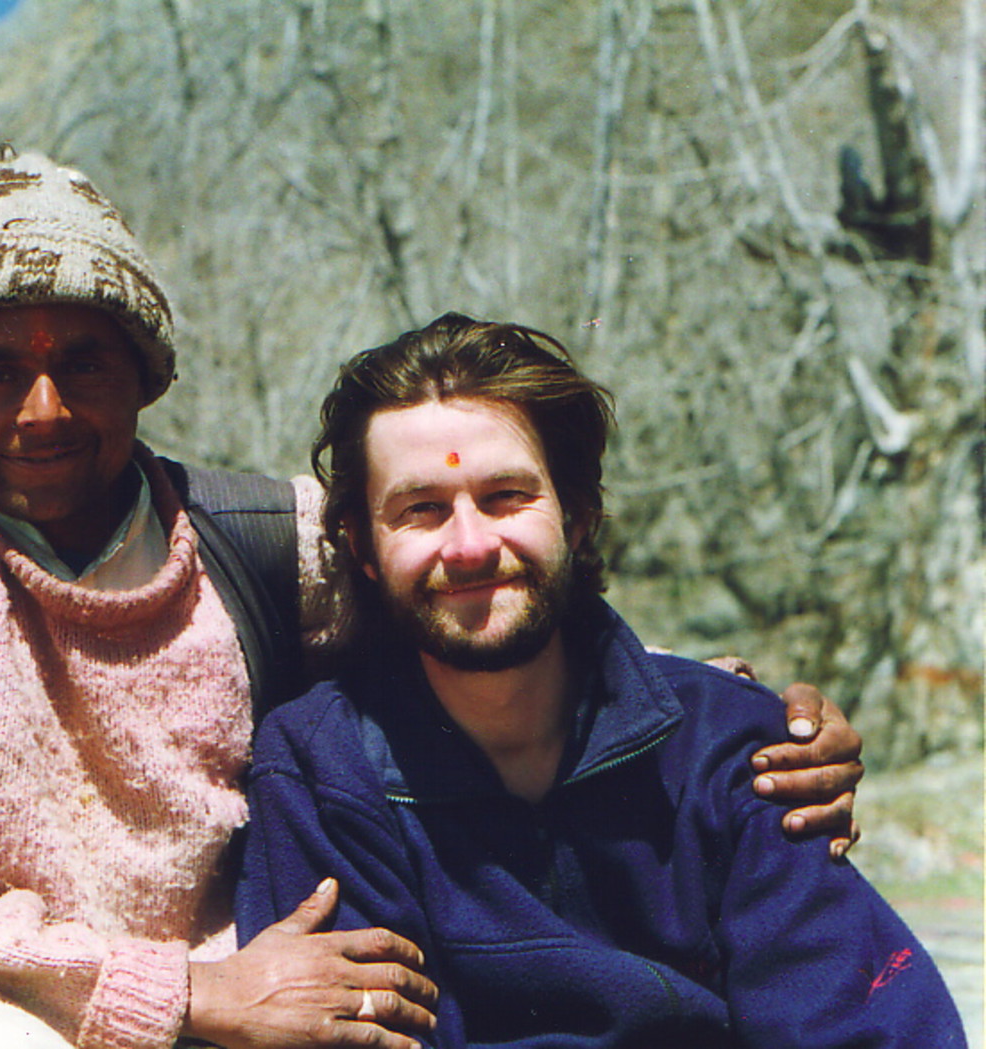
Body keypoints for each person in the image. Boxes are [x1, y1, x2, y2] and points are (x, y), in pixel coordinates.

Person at [0, 148, 864, 1049]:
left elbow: (478, 597)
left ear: (144, 374)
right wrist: (191, 995)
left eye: (86, 362)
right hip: (18, 1014)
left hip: (274, 1006)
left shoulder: (262, 536)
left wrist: (728, 724)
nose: (44, 409)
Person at [234, 312, 963, 1047]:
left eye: (506, 497)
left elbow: (873, 1026)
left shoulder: (729, 745)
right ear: (361, 545)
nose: (469, 545)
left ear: (579, 515)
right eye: (422, 509)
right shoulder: (321, 771)